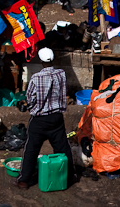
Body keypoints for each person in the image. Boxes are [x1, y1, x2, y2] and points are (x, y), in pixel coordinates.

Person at [15, 47, 75, 190]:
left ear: (41, 62)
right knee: (62, 147)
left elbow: (30, 99)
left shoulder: (36, 78)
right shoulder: (61, 74)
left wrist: (27, 105)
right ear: (52, 60)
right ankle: (70, 175)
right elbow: (63, 92)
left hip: (39, 120)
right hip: (57, 118)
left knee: (31, 149)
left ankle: (24, 180)